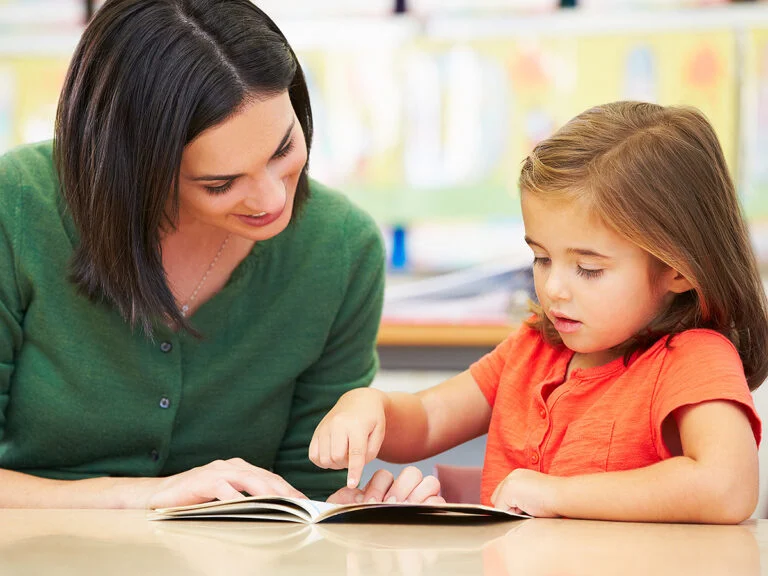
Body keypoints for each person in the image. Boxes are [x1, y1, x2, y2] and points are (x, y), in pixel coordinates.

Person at [0, 0, 437, 509]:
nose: (273, 201)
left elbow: (307, 491)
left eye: (283, 150)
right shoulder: (17, 208)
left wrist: (352, 511)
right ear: (137, 170)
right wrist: (150, 496)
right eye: (221, 183)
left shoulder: (340, 247)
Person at [311, 101, 768, 522]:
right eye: (542, 258)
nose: (553, 288)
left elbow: (726, 486)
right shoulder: (533, 348)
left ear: (678, 271)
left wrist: (557, 494)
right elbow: (430, 419)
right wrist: (368, 407)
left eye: (588, 268)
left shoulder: (694, 360)